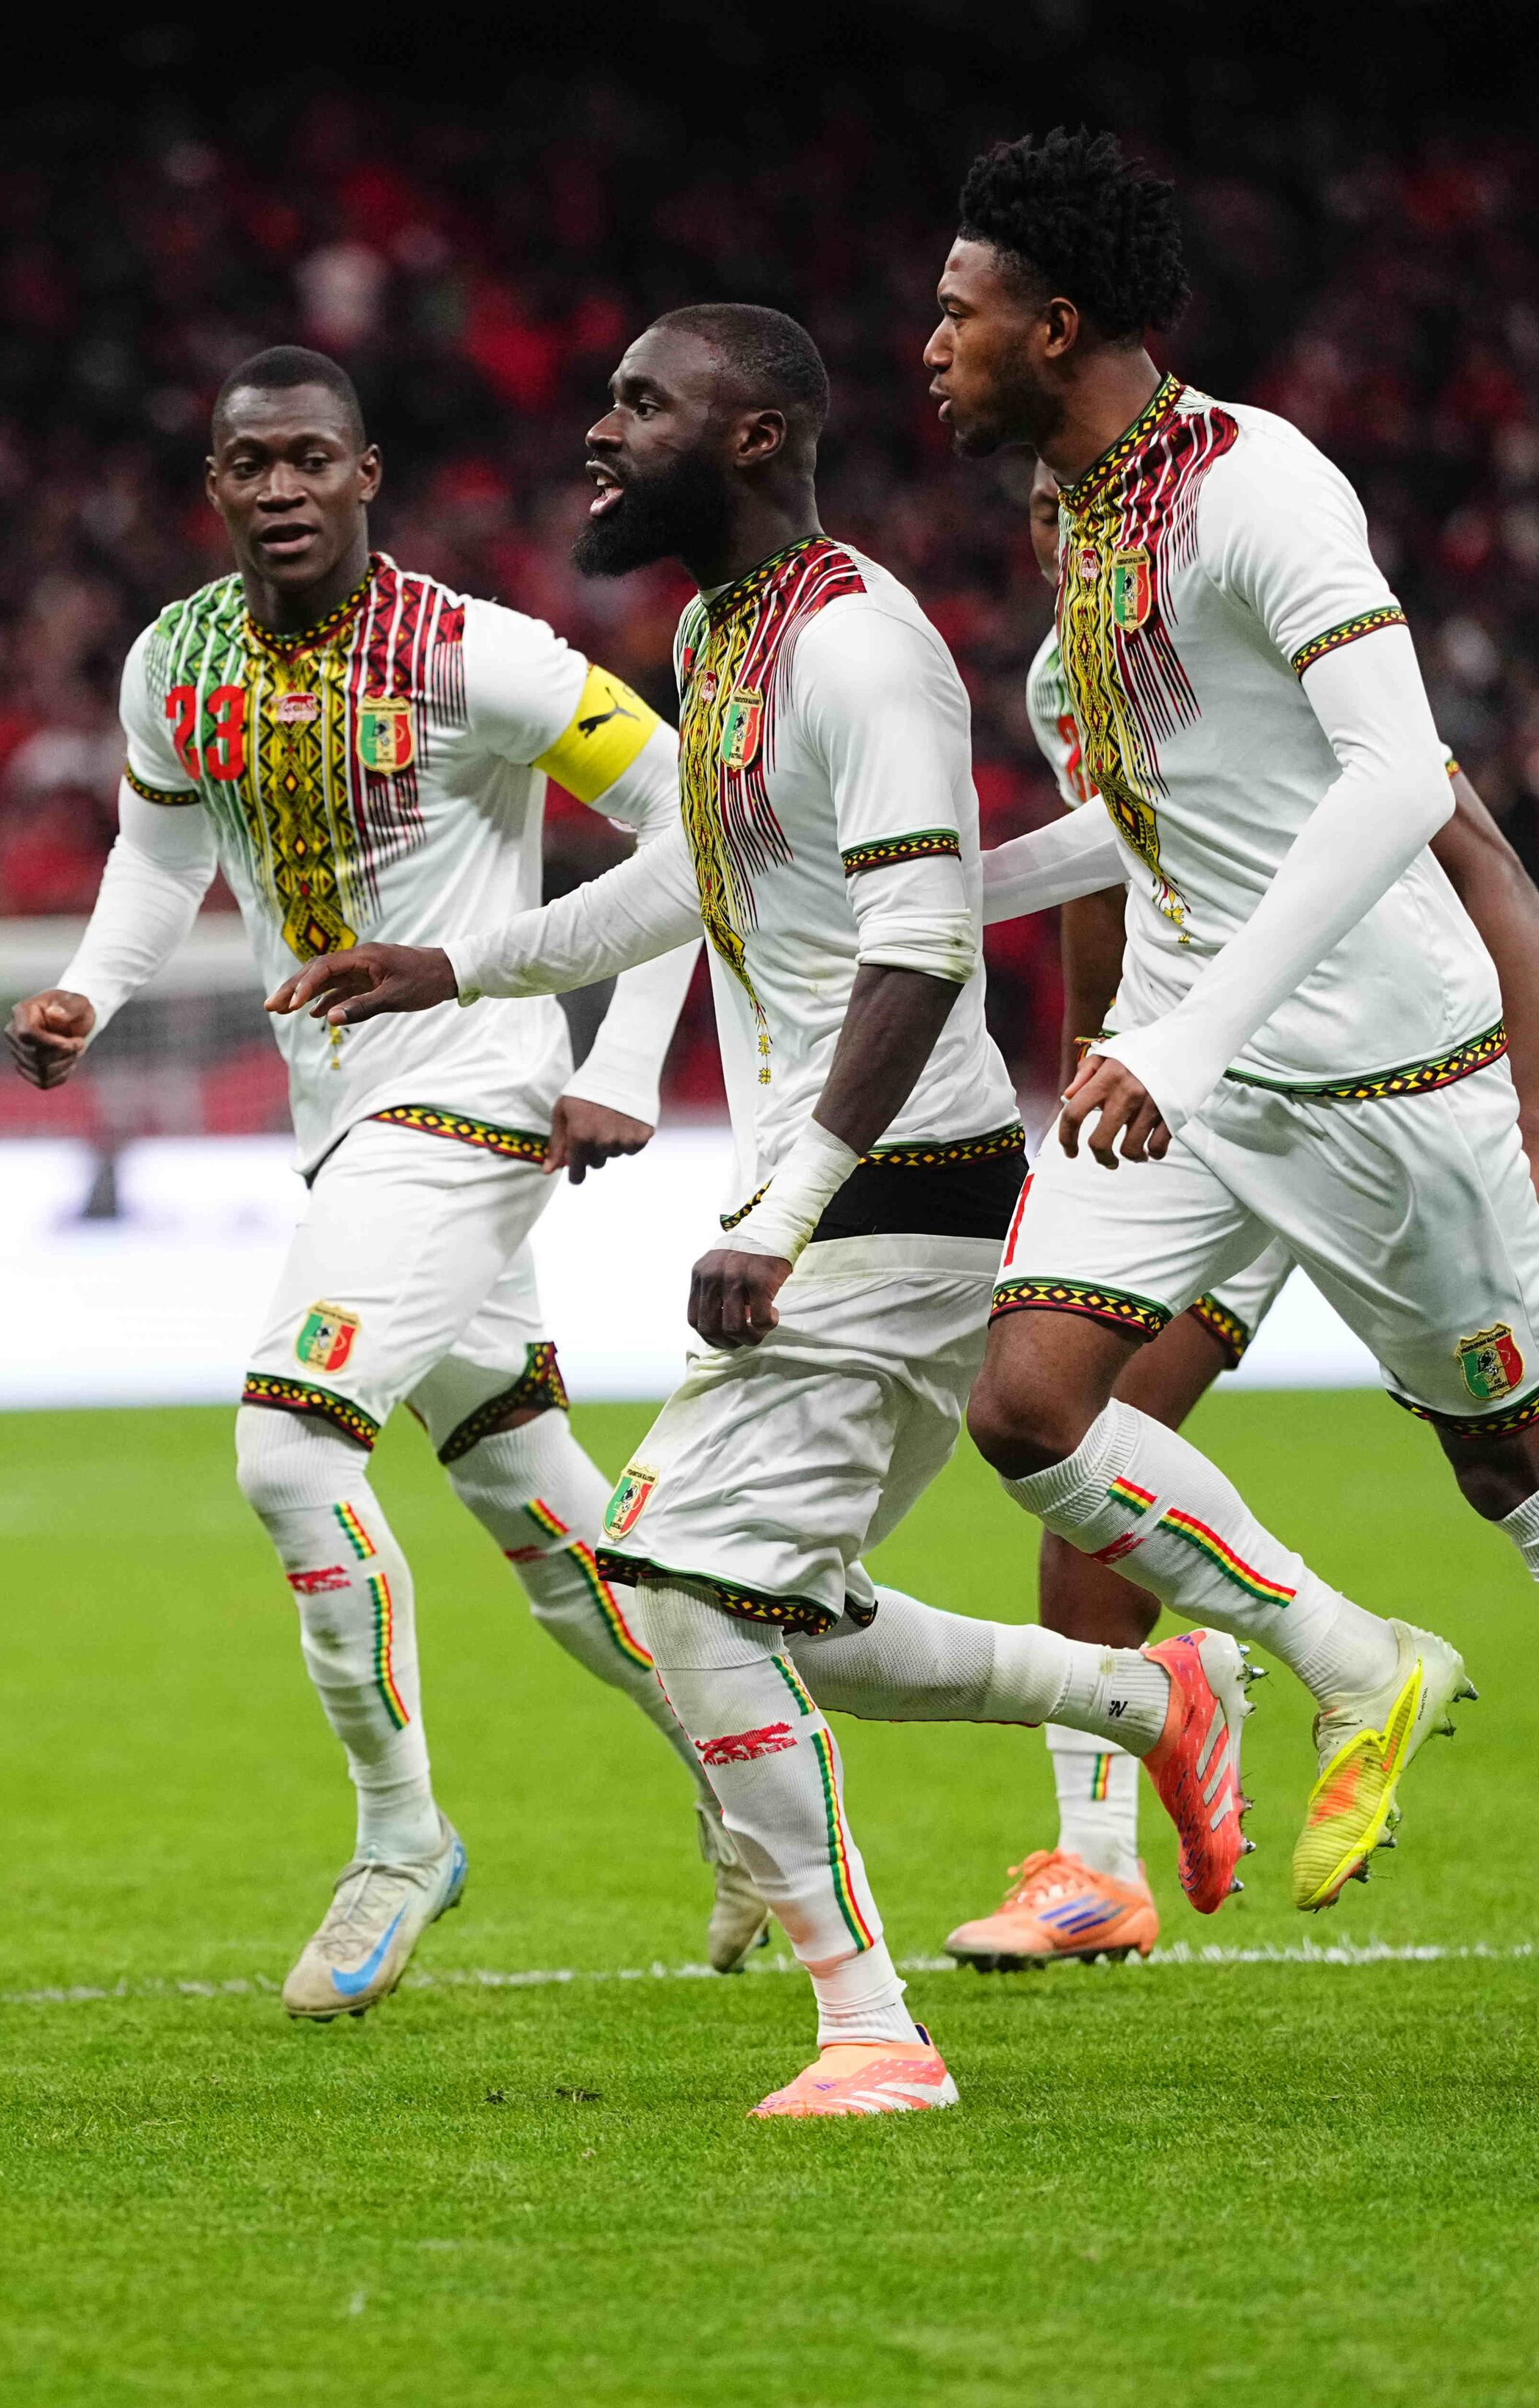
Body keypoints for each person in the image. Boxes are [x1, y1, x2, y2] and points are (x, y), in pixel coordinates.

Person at [277, 306, 1256, 2120]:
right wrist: (458, 962)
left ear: (752, 436)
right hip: (853, 1188)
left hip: (889, 1186)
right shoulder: (725, 634)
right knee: (770, 1603)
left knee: (680, 1589)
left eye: (641, 401)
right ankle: (1149, 1702)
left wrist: (781, 1211)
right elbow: (684, 887)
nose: (597, 427)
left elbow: (919, 948)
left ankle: (871, 2023)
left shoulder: (861, 647)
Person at [926, 129, 1539, 2089]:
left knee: (1530, 1470)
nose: (934, 342)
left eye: (959, 310)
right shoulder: (1081, 511)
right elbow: (1161, 812)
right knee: (1027, 1408)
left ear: (1056, 325)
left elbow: (1405, 781)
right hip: (1195, 1063)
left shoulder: (1262, 489)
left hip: (1377, 1071)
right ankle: (1348, 1658)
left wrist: (1201, 1031)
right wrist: (934, 896)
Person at [947, 462, 1539, 1972]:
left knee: (1520, 1448)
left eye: (1085, 512)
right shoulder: (1075, 673)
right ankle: (1095, 1855)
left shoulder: (1261, 638)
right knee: (1077, 1412)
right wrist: (1083, 1059)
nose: (1065, 538)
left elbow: (1486, 868)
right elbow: (1119, 876)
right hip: (1203, 1094)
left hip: (1388, 1089)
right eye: (1046, 518)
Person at [10, 347, 767, 2019]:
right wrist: (91, 992)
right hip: (347, 1120)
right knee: (543, 1515)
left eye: (307, 460)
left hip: (471, 1092)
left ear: (368, 474)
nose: (277, 488)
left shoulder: (476, 654)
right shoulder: (174, 664)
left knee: (288, 1451)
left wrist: (616, 1066)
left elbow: (691, 821)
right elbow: (159, 855)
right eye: (246, 465)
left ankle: (398, 1832)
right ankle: (753, 1780)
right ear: (212, 488)